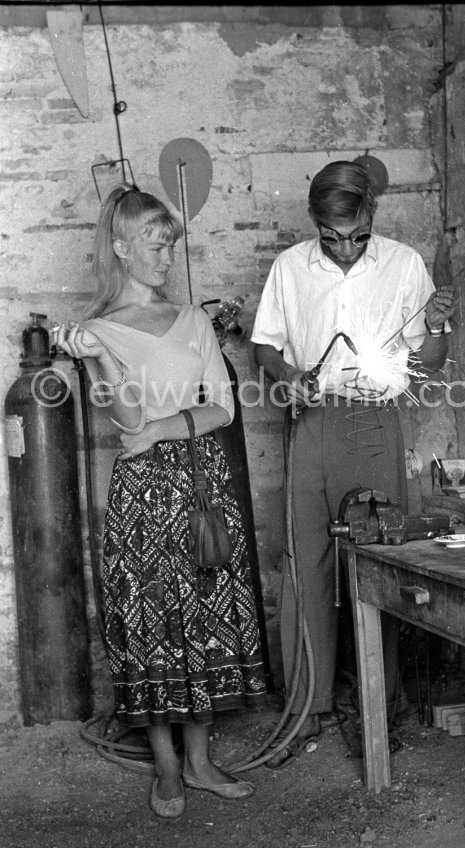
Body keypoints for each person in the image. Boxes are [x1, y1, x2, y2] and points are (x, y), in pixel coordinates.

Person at [55, 186, 266, 817]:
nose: (165, 258)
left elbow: (223, 406)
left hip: (201, 483)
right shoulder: (94, 333)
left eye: (170, 246)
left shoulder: (195, 320)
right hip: (143, 497)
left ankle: (201, 763)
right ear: (120, 249)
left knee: (201, 617)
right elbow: (125, 418)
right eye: (154, 245)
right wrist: (101, 364)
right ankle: (168, 769)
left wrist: (160, 428)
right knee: (149, 624)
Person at [251, 160, 457, 766]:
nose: (345, 248)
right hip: (313, 422)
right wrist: (289, 378)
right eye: (332, 236)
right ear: (316, 223)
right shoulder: (291, 268)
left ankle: (378, 708)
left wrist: (438, 322)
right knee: (307, 558)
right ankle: (307, 708)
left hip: (374, 423)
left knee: (378, 564)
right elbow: (265, 342)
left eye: (358, 234)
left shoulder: (403, 264)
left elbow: (432, 360)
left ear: (373, 215)